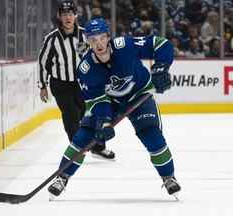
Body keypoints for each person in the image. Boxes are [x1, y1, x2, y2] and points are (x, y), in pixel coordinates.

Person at [47, 17, 181, 200]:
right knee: (83, 137)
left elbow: (161, 44)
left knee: (151, 134)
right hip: (111, 102)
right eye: (93, 40)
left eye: (101, 38)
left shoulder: (125, 45)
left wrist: (160, 69)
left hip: (139, 94)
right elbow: (97, 100)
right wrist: (104, 122)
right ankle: (62, 177)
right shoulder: (86, 69)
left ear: (108, 37)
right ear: (87, 42)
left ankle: (168, 177)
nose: (98, 43)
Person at [38, 1, 115, 160]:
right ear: (59, 17)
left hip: (82, 83)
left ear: (76, 15)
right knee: (71, 115)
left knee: (89, 114)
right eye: (64, 14)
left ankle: (98, 147)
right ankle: (77, 149)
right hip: (60, 84)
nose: (67, 17)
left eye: (70, 14)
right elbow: (43, 62)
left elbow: (95, 56)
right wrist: (42, 85)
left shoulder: (85, 35)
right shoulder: (51, 39)